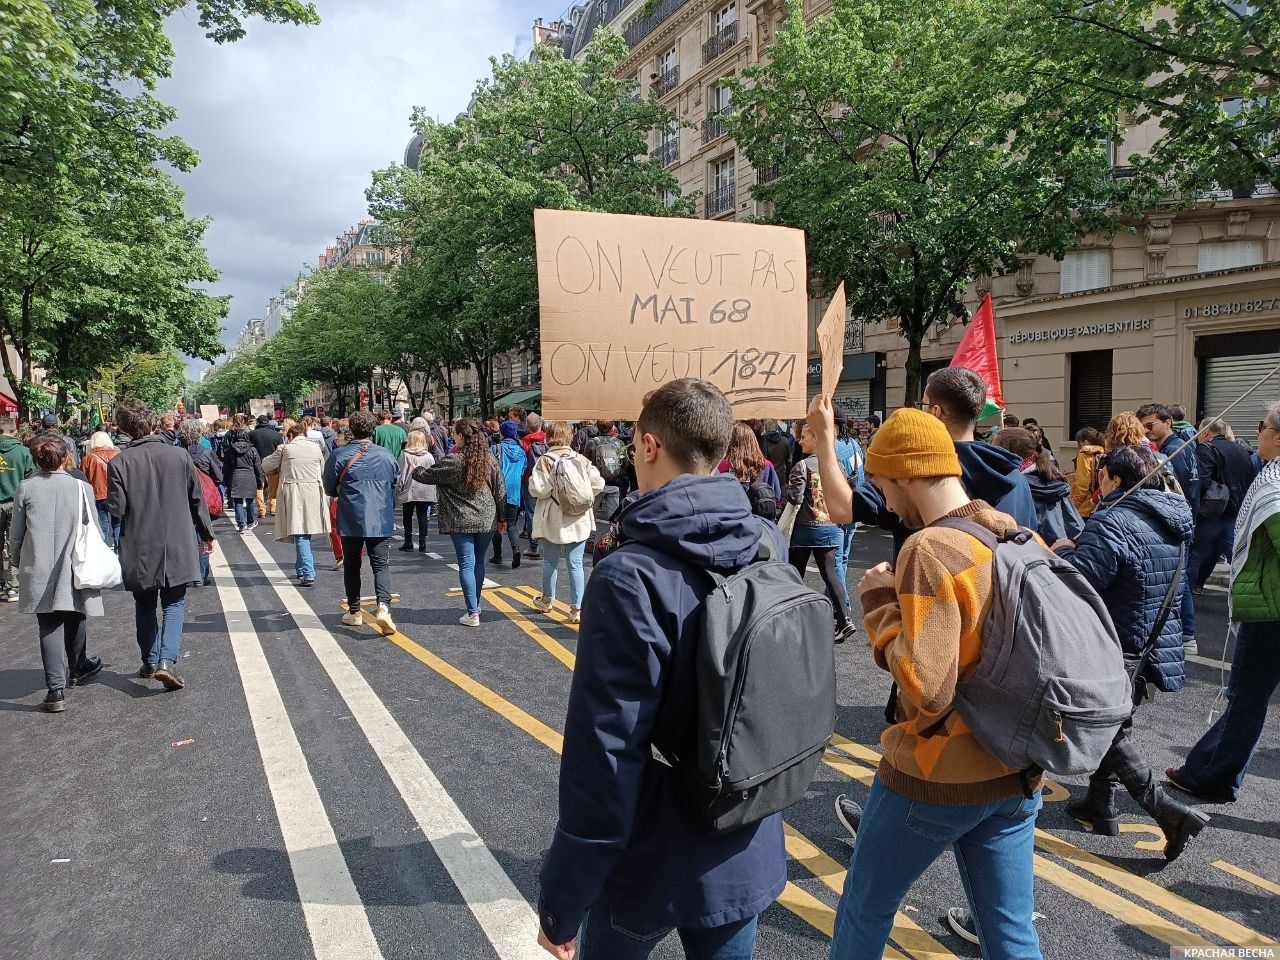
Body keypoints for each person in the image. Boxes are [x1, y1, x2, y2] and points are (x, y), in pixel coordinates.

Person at [536, 379, 785, 960]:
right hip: (744, 837)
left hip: (654, 852)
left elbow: (605, 752)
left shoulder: (631, 575)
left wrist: (563, 900)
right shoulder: (766, 540)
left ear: (649, 446)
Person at [821, 407, 1043, 959]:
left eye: (882, 483)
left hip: (937, 771)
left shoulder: (929, 550)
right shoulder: (1013, 534)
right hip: (1016, 766)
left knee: (865, 906)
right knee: (1010, 931)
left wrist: (878, 605)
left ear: (907, 474)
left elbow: (927, 687)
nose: (885, 500)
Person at [1052, 445, 1208, 861]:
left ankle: (1167, 811)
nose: (1097, 482)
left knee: (1110, 731)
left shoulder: (1113, 521)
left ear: (1116, 480)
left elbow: (1081, 582)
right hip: (1151, 643)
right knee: (1117, 723)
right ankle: (1100, 804)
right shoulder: (1174, 521)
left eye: (1101, 475)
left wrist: (1065, 549)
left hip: (1114, 642)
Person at [1167, 403, 1280, 804]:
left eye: (1262, 425)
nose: (1257, 432)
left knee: (1246, 697)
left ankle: (1211, 776)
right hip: (1268, 604)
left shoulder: (1278, 486)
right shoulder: (1268, 473)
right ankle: (1206, 770)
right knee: (1246, 698)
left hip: (1271, 612)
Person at [107, 399, 216, 691]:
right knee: (174, 602)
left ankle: (150, 660)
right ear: (153, 422)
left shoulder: (119, 462)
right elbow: (197, 501)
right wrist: (207, 535)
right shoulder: (179, 456)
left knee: (144, 603)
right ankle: (167, 661)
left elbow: (116, 510)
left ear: (126, 428)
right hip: (177, 539)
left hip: (139, 541)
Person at [11, 433, 105, 712]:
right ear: (65, 457)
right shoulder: (80, 488)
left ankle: (55, 691)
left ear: (35, 459)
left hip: (38, 563)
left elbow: (16, 534)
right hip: (73, 562)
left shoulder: (26, 488)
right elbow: (95, 529)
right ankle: (77, 668)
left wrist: (18, 561)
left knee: (48, 625)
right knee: (76, 613)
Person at [414, 417, 504, 628]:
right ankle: (476, 604)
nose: (453, 436)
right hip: (487, 517)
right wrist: (503, 518)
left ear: (462, 436)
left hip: (460, 518)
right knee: (479, 562)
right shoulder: (489, 459)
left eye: (455, 433)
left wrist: (416, 468)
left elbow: (426, 476)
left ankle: (472, 612)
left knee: (466, 563)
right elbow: (500, 490)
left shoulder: (453, 460)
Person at [323, 409, 398, 635]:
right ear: (372, 430)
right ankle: (383, 606)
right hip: (381, 515)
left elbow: (328, 487)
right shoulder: (386, 455)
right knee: (381, 565)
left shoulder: (339, 455)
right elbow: (394, 481)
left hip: (351, 515)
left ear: (351, 431)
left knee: (352, 565)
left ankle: (354, 611)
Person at [786, 422, 858, 643]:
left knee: (794, 574)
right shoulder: (836, 465)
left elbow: (795, 498)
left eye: (804, 438)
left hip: (805, 529)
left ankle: (792, 620)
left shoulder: (802, 466)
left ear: (815, 440)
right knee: (831, 574)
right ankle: (845, 620)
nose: (800, 442)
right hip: (830, 527)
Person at [1138, 403, 1200, 657]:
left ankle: (1187, 635)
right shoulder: (1176, 447)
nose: (1147, 431)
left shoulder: (1174, 451)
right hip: (1183, 520)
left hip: (1177, 521)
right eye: (1143, 427)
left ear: (1168, 422)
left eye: (1151, 425)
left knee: (1179, 580)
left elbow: (1175, 493)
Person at [529, 420, 604, 625]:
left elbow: (539, 490)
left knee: (550, 562)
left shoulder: (545, 460)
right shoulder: (580, 458)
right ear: (569, 437)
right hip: (579, 518)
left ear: (549, 436)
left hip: (554, 518)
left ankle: (546, 601)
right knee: (576, 564)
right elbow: (598, 483)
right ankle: (576, 609)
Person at [1190, 416, 1260, 592]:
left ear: (1205, 432)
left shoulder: (1205, 448)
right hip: (1236, 512)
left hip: (1212, 514)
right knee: (1236, 555)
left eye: (1199, 431)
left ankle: (1186, 595)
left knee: (1195, 556)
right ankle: (1251, 591)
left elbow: (1202, 483)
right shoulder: (1241, 449)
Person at [263, 421, 330, 587]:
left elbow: (266, 465)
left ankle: (308, 573)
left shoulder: (285, 449)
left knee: (300, 532)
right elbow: (322, 469)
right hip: (314, 491)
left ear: (290, 436)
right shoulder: (315, 448)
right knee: (305, 532)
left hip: (294, 492)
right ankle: (301, 569)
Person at [991, 427, 1084, 544]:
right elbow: (1075, 526)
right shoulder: (1053, 476)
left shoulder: (1013, 484)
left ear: (1007, 453)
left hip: (1030, 551)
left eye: (994, 449)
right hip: (1060, 550)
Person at [178, 420, 222, 586]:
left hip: (181, 499)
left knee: (184, 536)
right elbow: (219, 477)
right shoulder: (207, 452)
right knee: (203, 534)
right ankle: (201, 576)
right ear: (198, 434)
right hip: (203, 498)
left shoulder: (176, 453)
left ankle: (188, 575)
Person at [0, 415, 36, 603]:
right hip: (16, 504)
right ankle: (12, 586)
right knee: (16, 544)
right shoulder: (24, 452)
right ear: (14, 431)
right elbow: (31, 480)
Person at [719, 420, 783, 510]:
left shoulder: (721, 466)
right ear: (753, 441)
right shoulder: (766, 466)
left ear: (729, 442)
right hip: (759, 517)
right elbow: (777, 496)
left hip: (731, 516)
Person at [584, 421, 626, 550]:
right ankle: (611, 542)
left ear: (598, 427)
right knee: (613, 517)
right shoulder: (619, 443)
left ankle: (590, 542)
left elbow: (586, 462)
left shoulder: (592, 442)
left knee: (592, 514)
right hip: (614, 483)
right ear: (612, 427)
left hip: (596, 483)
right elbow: (624, 462)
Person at [396, 428, 437, 553]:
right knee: (422, 515)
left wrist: (399, 488)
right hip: (425, 489)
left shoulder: (405, 454)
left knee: (407, 515)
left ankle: (408, 541)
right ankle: (423, 542)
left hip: (410, 488)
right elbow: (433, 473)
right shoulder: (429, 456)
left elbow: (402, 473)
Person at [490, 420, 525, 567]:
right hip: (515, 491)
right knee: (511, 524)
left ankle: (498, 555)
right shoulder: (522, 451)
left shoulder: (495, 448)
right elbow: (523, 469)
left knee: (497, 523)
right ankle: (516, 550)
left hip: (498, 490)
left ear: (502, 432)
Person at [80, 431, 121, 551]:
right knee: (117, 523)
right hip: (116, 493)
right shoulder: (118, 455)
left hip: (98, 494)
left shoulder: (89, 458)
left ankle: (105, 550)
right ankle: (119, 550)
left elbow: (84, 479)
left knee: (103, 523)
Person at [223, 427, 264, 532]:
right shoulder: (252, 449)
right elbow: (257, 466)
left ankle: (241, 524)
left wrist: (226, 481)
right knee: (250, 500)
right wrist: (260, 480)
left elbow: (226, 467)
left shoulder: (230, 449)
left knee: (238, 501)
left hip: (236, 475)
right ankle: (250, 521)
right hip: (250, 475)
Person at [520, 413, 548, 559]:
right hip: (547, 481)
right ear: (540, 425)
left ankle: (533, 546)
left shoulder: (524, 442)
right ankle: (551, 543)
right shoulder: (547, 440)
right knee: (548, 511)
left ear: (527, 426)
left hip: (529, 480)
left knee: (531, 514)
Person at [249, 414, 283, 517]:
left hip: (257, 464)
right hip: (273, 465)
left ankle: (261, 510)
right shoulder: (276, 435)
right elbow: (281, 450)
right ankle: (273, 508)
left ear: (258, 423)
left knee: (259, 487)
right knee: (274, 487)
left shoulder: (252, 434)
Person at [1070, 427, 1105, 518]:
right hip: (1098, 501)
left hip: (1085, 506)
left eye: (1079, 442)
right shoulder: (1103, 451)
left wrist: (1074, 503)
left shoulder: (1084, 455)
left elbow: (1082, 482)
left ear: (1086, 442)